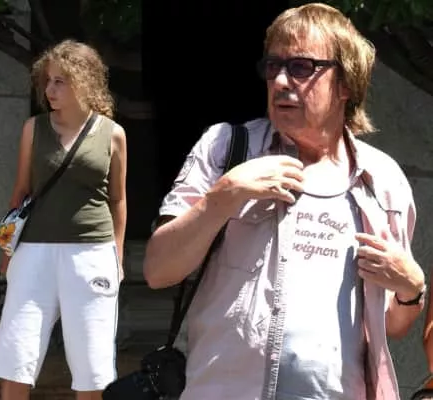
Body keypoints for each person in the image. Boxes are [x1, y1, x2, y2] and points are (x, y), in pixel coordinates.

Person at [143, 3, 425, 399]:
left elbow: (392, 324)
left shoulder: (383, 181)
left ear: (346, 83)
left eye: (300, 67)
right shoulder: (226, 148)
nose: (279, 81)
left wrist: (412, 289)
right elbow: (158, 270)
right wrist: (224, 197)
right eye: (273, 66)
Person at [0, 39, 127, 400]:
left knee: (93, 366)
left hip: (92, 252)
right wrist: (8, 252)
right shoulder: (33, 128)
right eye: (47, 81)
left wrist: (118, 256)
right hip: (34, 251)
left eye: (60, 81)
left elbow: (118, 199)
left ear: (84, 81)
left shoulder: (113, 134)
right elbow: (21, 192)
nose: (49, 90)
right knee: (17, 357)